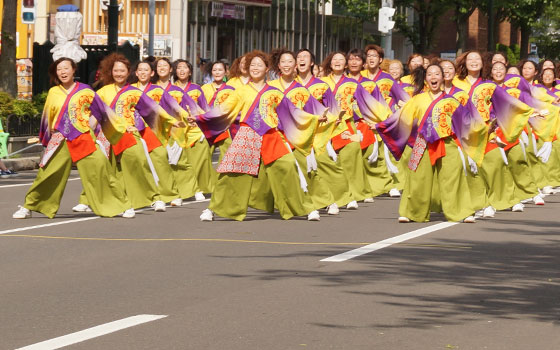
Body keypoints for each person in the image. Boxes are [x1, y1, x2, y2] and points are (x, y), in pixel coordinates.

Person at [195, 50, 323, 221]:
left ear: (267, 68)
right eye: (252, 65)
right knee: (230, 172)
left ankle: (306, 208)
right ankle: (213, 209)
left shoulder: (274, 92)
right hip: (247, 134)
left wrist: (314, 118)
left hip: (270, 134)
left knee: (287, 168)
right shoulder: (241, 91)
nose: (255, 68)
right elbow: (224, 110)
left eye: (259, 65)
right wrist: (200, 118)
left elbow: (292, 112)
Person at [13, 57, 134, 219]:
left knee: (100, 169)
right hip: (60, 137)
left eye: (66, 68)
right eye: (59, 69)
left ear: (73, 70)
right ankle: (29, 206)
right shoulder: (53, 92)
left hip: (82, 136)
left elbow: (102, 112)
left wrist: (114, 127)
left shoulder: (86, 90)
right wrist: (46, 140)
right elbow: (47, 117)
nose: (62, 72)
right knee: (47, 173)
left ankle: (122, 205)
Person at [376, 64, 481, 223]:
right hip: (421, 142)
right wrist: (380, 126)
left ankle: (462, 212)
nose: (434, 77)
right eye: (430, 74)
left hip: (447, 142)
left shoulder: (451, 101)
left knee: (453, 176)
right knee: (417, 177)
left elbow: (466, 122)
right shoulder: (417, 99)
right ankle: (412, 212)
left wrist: (485, 128)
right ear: (425, 79)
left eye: (437, 74)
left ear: (443, 78)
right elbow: (402, 118)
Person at [173, 59, 213, 199]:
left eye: (185, 68)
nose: (182, 70)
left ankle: (199, 188)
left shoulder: (196, 88)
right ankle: (182, 189)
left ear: (190, 71)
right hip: (177, 129)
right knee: (179, 161)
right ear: (175, 71)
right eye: (179, 68)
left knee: (199, 160)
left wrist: (203, 124)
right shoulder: (170, 89)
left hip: (195, 129)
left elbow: (205, 109)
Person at [201, 60, 234, 162]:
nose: (217, 72)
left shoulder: (231, 90)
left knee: (227, 157)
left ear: (225, 72)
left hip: (225, 127)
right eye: (214, 70)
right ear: (211, 72)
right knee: (205, 157)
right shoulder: (204, 88)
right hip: (207, 126)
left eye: (220, 70)